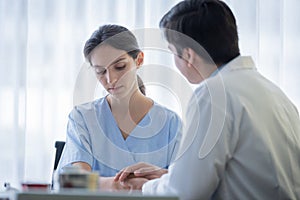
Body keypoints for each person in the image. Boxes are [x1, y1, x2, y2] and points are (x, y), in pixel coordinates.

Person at [114, 0, 300, 199]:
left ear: (188, 55)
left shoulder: (213, 96)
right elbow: (242, 173)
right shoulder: (272, 92)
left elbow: (186, 193)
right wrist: (171, 177)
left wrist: (145, 187)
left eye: (172, 52)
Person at [57, 24, 182, 190]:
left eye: (120, 67)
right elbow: (72, 181)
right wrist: (120, 184)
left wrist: (158, 179)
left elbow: (184, 185)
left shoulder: (170, 123)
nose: (111, 79)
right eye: (101, 71)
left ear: (139, 60)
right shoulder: (83, 118)